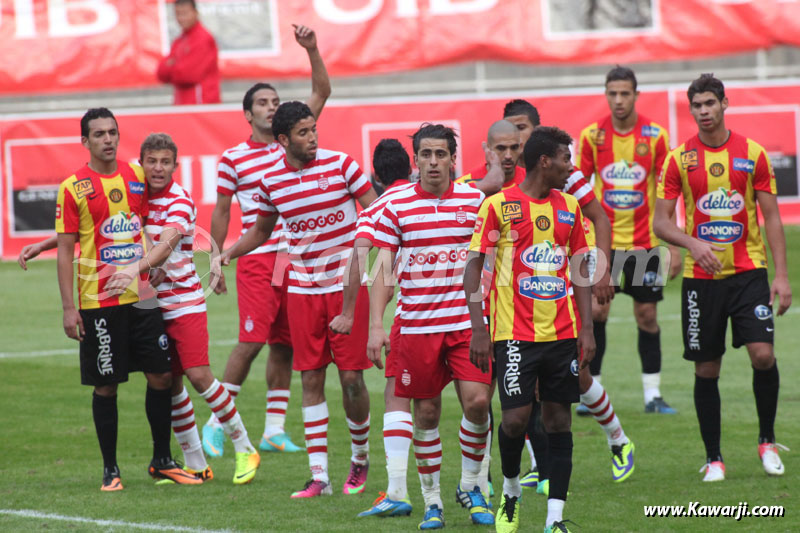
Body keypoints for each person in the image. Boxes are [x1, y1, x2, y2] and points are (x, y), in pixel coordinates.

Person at [213, 101, 378, 498]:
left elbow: (376, 213)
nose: (313, 138)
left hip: (347, 289)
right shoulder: (272, 182)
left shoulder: (342, 166)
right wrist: (228, 253)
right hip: (303, 293)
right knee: (311, 378)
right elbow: (262, 231)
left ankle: (359, 459)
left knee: (352, 380)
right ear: (283, 139)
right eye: (303, 133)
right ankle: (318, 475)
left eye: (314, 129)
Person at [654, 74, 791, 482]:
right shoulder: (679, 159)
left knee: (763, 356)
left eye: (710, 103)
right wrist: (692, 244)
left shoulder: (753, 154)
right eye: (697, 105)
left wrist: (781, 275)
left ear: (725, 104)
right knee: (706, 370)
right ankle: (714, 458)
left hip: (749, 273)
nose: (704, 111)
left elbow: (771, 218)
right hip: (701, 281)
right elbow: (661, 222)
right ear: (691, 109)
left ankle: (766, 442)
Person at [105, 133, 261, 485]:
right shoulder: (135, 195)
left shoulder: (179, 200)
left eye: (165, 162)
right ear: (141, 162)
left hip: (184, 302)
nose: (158, 168)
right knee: (169, 383)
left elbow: (165, 245)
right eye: (151, 161)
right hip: (150, 306)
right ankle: (195, 463)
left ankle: (245, 446)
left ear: (176, 166)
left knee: (199, 374)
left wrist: (135, 269)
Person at [55, 108, 198, 490]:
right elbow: (66, 247)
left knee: (162, 375)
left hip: (143, 295)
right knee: (107, 385)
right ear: (84, 141)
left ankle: (162, 460)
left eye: (112, 132)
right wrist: (70, 308)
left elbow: (162, 208)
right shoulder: (73, 188)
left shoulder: (135, 175)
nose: (107, 139)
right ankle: (111, 470)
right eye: (98, 134)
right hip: (98, 301)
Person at [205, 23, 330, 458]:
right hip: (258, 256)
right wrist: (216, 257)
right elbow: (222, 210)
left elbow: (322, 90)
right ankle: (217, 422)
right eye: (262, 102)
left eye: (275, 101)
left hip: (292, 256)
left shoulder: (289, 142)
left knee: (285, 342)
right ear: (247, 114)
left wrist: (311, 50)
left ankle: (273, 429)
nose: (270, 106)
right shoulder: (233, 158)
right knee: (252, 340)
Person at [466, 126, 595, 533]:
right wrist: (479, 328)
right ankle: (509, 489)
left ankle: (555, 518)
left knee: (559, 421)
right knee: (515, 420)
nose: (569, 167)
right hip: (513, 333)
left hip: (561, 334)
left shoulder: (570, 207)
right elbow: (473, 268)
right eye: (565, 159)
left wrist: (587, 330)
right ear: (545, 161)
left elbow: (580, 271)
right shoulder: (499, 207)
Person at [502, 99, 634, 489]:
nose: (516, 137)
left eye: (523, 128)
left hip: (564, 277)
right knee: (524, 387)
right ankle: (538, 464)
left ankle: (618, 438)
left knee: (575, 376)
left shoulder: (566, 176)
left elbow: (599, 217)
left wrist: (602, 270)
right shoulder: (508, 178)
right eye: (511, 130)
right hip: (521, 290)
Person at [369, 124, 494, 529]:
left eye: (441, 154)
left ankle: (472, 486)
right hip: (417, 327)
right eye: (426, 154)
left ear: (453, 158)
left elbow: (490, 264)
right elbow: (384, 269)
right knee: (425, 414)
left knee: (477, 402)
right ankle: (432, 501)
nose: (434, 162)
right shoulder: (397, 205)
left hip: (465, 324)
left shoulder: (476, 201)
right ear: (416, 160)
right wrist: (375, 326)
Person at [577, 66, 679, 414]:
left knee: (647, 315)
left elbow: (669, 191)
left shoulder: (655, 136)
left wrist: (674, 246)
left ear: (636, 95)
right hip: (604, 245)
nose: (618, 100)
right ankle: (595, 395)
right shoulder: (593, 137)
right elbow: (579, 192)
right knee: (597, 313)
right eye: (612, 93)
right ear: (606, 95)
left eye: (624, 93)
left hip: (644, 243)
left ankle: (653, 395)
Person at [329, 139, 417, 518]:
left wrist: (351, 314)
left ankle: (396, 487)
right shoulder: (443, 195)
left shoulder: (377, 207)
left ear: (376, 176)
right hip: (462, 316)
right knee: (477, 402)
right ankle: (480, 484)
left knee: (403, 396)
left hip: (413, 317)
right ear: (413, 167)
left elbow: (359, 257)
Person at [157, 0, 220, 105]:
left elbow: (189, 75)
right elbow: (160, 73)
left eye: (185, 13)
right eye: (178, 14)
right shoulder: (179, 41)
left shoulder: (203, 38)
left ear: (195, 12)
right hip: (184, 106)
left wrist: (172, 67)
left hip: (202, 106)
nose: (181, 18)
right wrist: (176, 68)